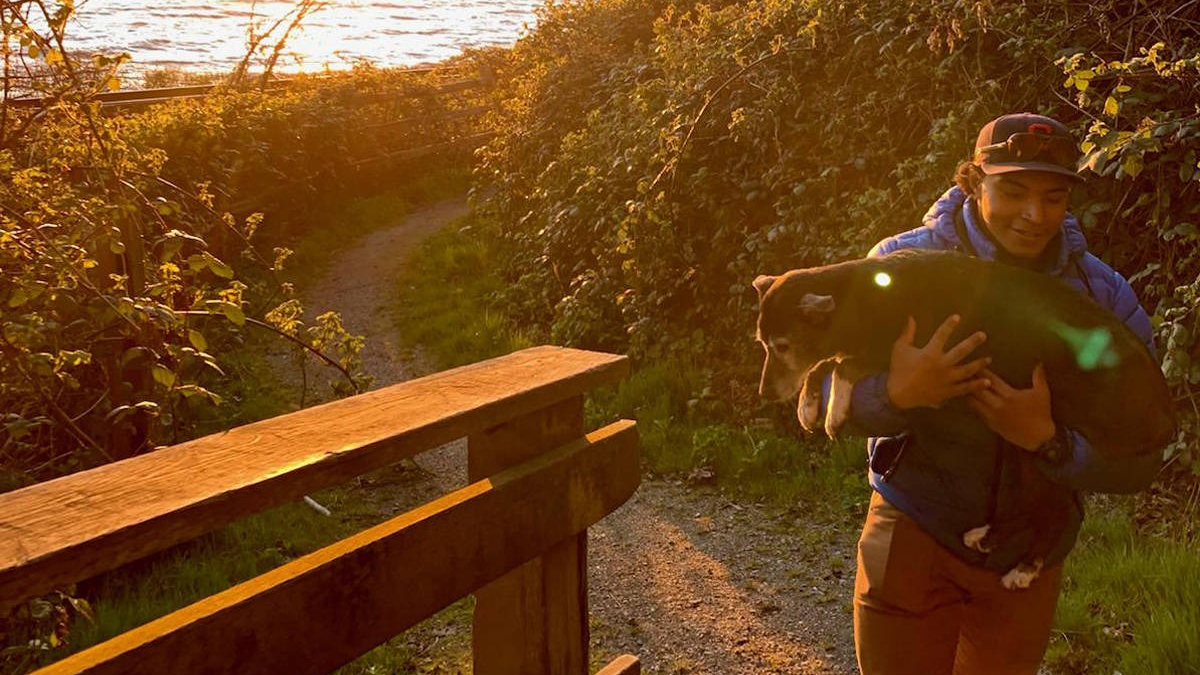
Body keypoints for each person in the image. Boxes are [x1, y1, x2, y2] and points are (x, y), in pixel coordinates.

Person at [842, 113, 1165, 675]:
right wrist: (899, 392)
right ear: (973, 181)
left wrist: (1047, 440)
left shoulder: (1102, 293)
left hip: (1030, 551)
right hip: (915, 530)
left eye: (1054, 197)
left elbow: (1144, 445)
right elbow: (823, 396)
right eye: (1012, 191)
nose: (1034, 215)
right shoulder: (902, 265)